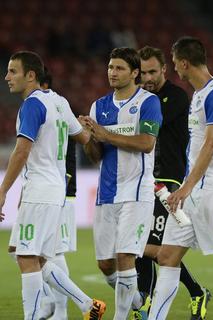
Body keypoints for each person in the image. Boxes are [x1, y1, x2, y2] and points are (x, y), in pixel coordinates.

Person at [146, 36, 213, 320]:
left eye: (174, 64)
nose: (175, 70)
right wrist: (187, 188)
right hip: (191, 193)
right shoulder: (199, 95)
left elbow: (212, 144)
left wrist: (186, 186)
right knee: (167, 256)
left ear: (183, 63)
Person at [1, 51, 106, 320]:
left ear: (31, 75)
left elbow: (22, 151)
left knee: (26, 258)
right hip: (56, 190)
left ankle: (34, 316)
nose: (7, 77)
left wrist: (2, 191)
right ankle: (86, 304)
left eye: (13, 71)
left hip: (41, 189)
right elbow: (83, 138)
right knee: (31, 255)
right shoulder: (59, 102)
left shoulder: (33, 105)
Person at [131, 45, 211, 320]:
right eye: (143, 73)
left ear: (164, 69)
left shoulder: (176, 97)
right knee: (146, 245)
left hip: (168, 180)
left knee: (150, 247)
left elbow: (150, 129)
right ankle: (195, 292)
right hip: (143, 179)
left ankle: (147, 301)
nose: (148, 78)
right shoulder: (141, 97)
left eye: (153, 71)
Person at [82, 47, 162, 320]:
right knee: (106, 265)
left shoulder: (148, 102)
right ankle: (140, 302)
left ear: (135, 73)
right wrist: (88, 137)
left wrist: (106, 135)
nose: (112, 73)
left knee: (125, 256)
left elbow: (147, 143)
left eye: (119, 68)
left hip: (137, 192)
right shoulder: (99, 106)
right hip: (106, 194)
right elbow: (95, 156)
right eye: (110, 67)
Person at [37, 68, 78, 320]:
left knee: (52, 252)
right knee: (34, 252)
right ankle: (50, 303)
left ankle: (60, 309)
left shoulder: (52, 108)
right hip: (54, 190)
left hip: (60, 192)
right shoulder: (61, 107)